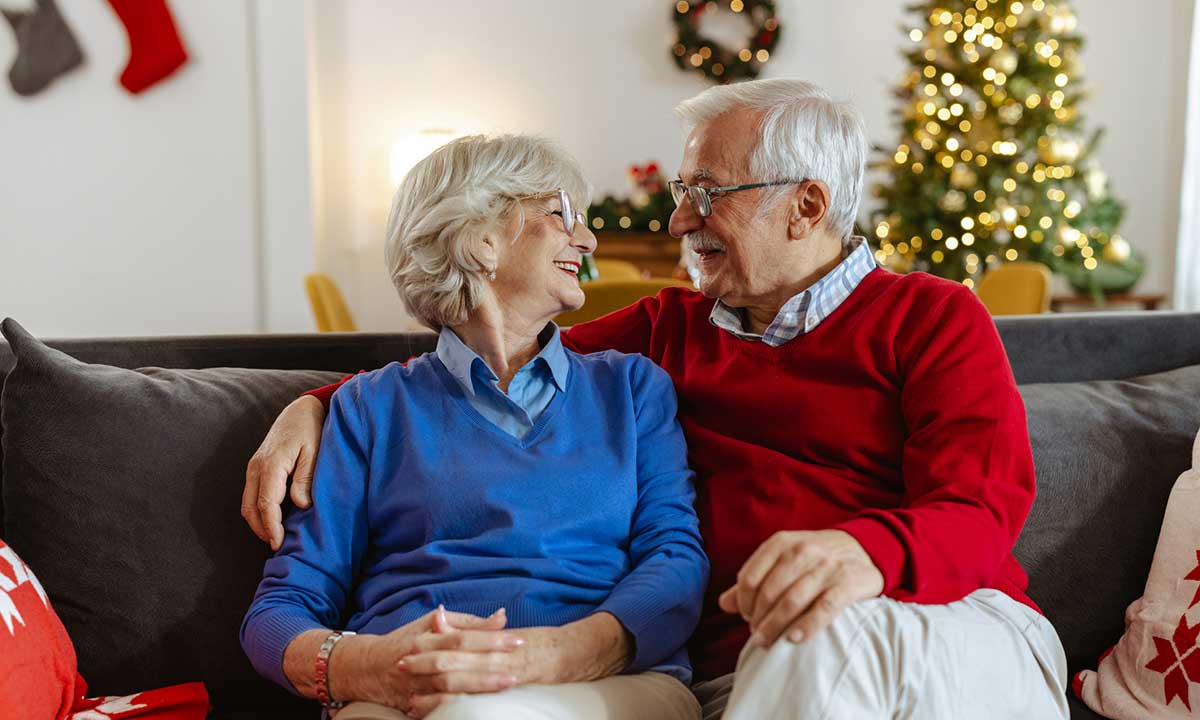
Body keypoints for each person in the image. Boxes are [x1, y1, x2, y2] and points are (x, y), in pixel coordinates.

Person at [244, 79, 1070, 719]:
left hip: (952, 632)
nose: (678, 221)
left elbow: (982, 508)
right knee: (799, 649)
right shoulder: (665, 335)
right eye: (681, 192)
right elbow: (494, 362)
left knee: (820, 635)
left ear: (806, 206)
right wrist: (315, 404)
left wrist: (865, 555)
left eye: (706, 193)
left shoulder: (932, 317)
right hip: (755, 675)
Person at [240, 134, 708, 720]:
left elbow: (675, 559)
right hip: (409, 688)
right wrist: (370, 666)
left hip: (608, 680)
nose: (587, 240)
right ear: (482, 238)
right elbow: (281, 608)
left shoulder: (632, 389)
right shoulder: (367, 408)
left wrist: (545, 655)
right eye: (563, 214)